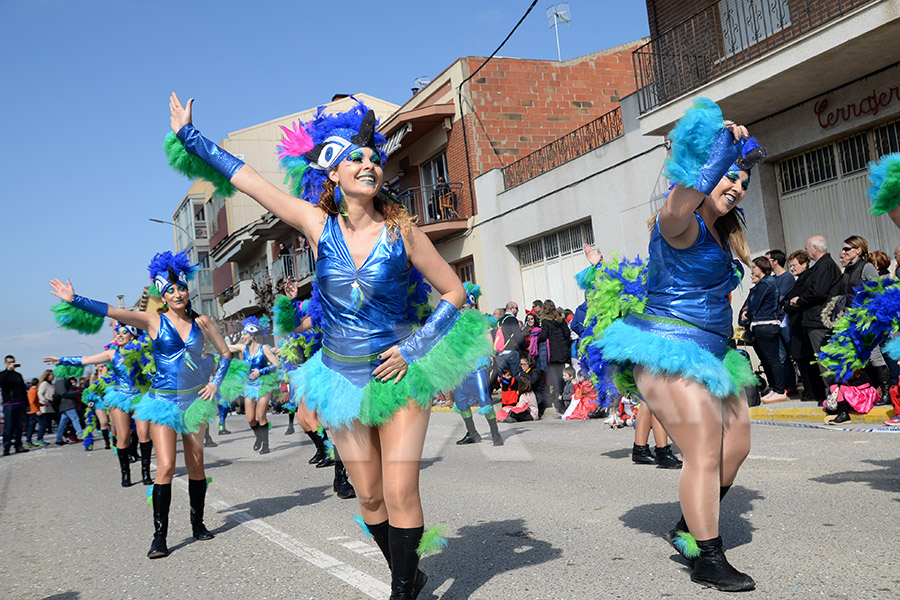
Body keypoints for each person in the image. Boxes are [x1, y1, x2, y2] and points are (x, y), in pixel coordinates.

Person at [165, 94, 491, 597]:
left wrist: (414, 347)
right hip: (339, 376)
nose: (368, 164)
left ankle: (403, 590)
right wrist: (191, 137)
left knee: (402, 489)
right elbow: (247, 179)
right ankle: (409, 570)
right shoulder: (317, 226)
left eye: (373, 158)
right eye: (355, 158)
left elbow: (454, 292)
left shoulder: (403, 232)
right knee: (370, 498)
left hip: (400, 371)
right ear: (332, 173)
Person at [588, 99, 762, 591]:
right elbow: (681, 199)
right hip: (667, 347)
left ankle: (689, 526)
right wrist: (719, 150)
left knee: (738, 446)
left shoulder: (725, 232)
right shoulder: (677, 224)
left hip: (714, 352)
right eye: (731, 176)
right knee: (704, 448)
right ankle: (708, 556)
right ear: (708, 174)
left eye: (744, 182)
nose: (738, 187)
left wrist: (729, 161)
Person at [49, 249, 232, 559]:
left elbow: (225, 353)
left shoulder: (203, 321)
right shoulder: (152, 320)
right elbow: (112, 312)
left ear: (188, 289)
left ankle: (197, 524)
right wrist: (75, 299)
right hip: (162, 402)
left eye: (181, 288)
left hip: (194, 402)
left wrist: (215, 382)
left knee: (197, 465)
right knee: (166, 466)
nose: (178, 293)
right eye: (170, 290)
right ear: (162, 294)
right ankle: (159, 536)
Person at [44, 322, 154, 485]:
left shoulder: (143, 352)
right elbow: (86, 360)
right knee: (123, 437)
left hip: (140, 396)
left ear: (133, 336)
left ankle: (146, 473)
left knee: (144, 433)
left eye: (124, 332)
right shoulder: (112, 354)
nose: (119, 334)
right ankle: (126, 474)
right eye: (118, 332)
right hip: (120, 396)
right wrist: (61, 360)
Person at [790, 235, 841, 402]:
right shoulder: (822, 265)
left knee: (825, 360)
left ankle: (833, 397)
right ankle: (831, 396)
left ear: (815, 248)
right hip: (816, 319)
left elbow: (818, 291)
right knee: (822, 360)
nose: (806, 251)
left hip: (820, 319)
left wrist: (800, 299)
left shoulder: (824, 265)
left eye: (807, 248)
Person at [452, 283, 503, 447]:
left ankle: (495, 434)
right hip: (460, 367)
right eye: (461, 305)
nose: (463, 307)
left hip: (477, 366)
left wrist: (488, 355)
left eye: (466, 304)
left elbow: (488, 338)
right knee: (460, 401)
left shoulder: (479, 319)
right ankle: (472, 433)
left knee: (484, 399)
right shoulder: (454, 321)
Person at [227, 316, 280, 455]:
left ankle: (266, 444)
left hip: (263, 384)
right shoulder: (242, 348)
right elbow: (226, 347)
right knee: (250, 419)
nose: (242, 337)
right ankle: (258, 437)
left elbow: (277, 364)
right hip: (249, 386)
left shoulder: (264, 349)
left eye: (244, 334)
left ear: (252, 335)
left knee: (260, 415)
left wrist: (260, 371)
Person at [739, 257, 788, 403]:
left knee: (772, 359)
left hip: (765, 325)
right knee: (766, 359)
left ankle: (780, 390)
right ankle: (774, 387)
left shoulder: (766, 283)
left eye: (754, 267)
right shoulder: (764, 284)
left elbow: (754, 304)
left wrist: (747, 314)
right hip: (761, 325)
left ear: (761, 268)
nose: (752, 270)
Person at [783, 251, 818, 402]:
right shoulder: (799, 280)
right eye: (790, 265)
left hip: (803, 323)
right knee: (801, 359)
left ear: (804, 264)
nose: (792, 268)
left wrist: (790, 304)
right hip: (796, 324)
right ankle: (809, 390)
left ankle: (813, 391)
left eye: (794, 265)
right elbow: (787, 301)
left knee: (807, 359)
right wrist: (788, 304)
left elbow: (798, 301)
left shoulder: (808, 278)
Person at [537, 299, 571, 411]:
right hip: (562, 350)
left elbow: (544, 336)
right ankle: (565, 392)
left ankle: (558, 395)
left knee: (554, 375)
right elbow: (567, 333)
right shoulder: (560, 319)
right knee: (562, 373)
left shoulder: (546, 321)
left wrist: (536, 338)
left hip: (553, 351)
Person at [1, 355, 30, 455]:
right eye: (9, 362)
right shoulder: (2, 375)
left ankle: (19, 446)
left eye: (12, 362)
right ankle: (6, 447)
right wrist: (8, 371)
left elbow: (23, 390)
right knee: (8, 427)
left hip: (20, 403)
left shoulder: (18, 375)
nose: (11, 364)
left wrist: (27, 403)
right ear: (5, 363)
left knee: (19, 427)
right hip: (9, 404)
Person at [53, 373, 84, 445]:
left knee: (63, 423)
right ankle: (84, 436)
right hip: (68, 404)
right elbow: (63, 393)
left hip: (65, 404)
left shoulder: (60, 380)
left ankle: (58, 439)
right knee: (75, 420)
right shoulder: (61, 380)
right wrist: (76, 393)